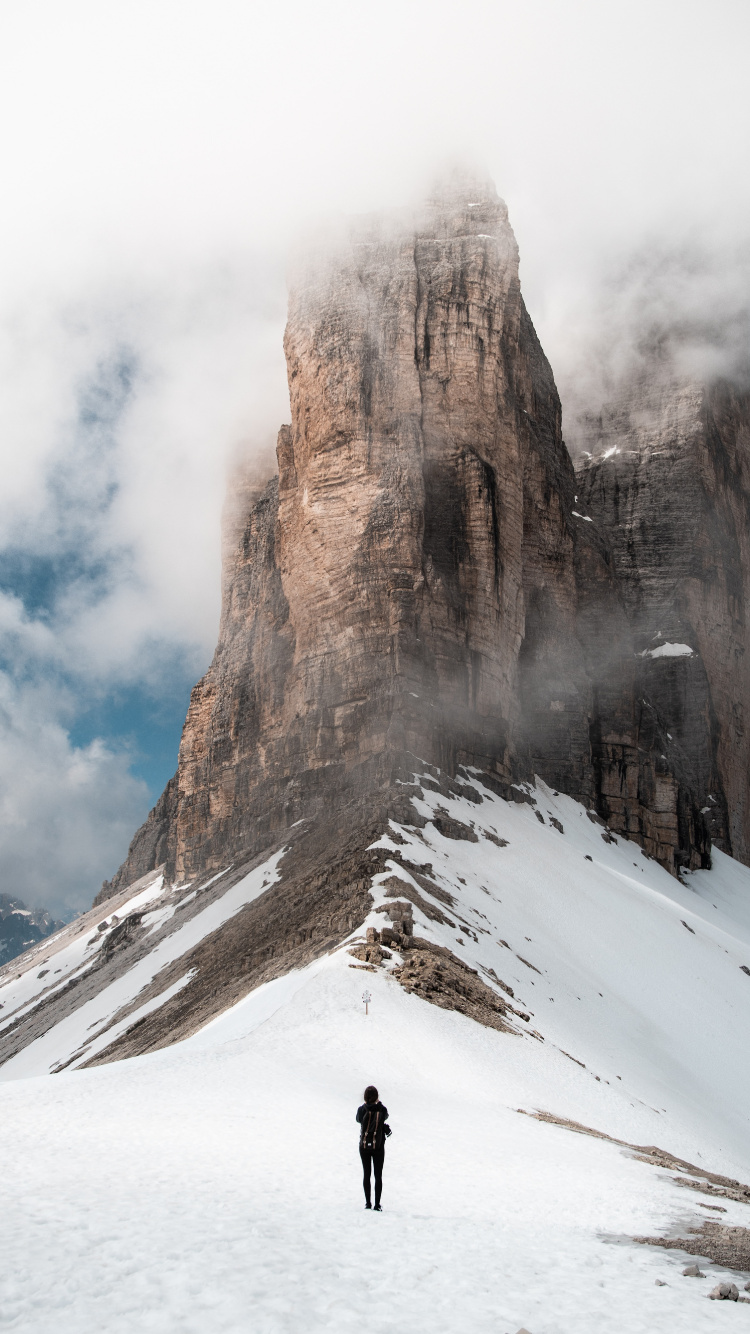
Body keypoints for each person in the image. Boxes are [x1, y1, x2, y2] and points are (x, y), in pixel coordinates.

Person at [356, 1084, 390, 1211]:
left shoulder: (362, 1109)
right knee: (378, 1175)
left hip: (364, 1146)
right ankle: (377, 1204)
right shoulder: (382, 1109)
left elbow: (358, 1119)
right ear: (377, 1097)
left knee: (366, 1173)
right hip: (378, 1146)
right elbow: (386, 1116)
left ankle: (367, 1203)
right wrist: (378, 1104)